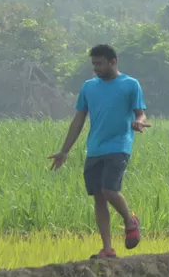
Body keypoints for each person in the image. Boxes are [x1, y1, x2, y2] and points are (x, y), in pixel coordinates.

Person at [49, 44, 150, 259]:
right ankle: (107, 249)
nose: (96, 68)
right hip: (95, 149)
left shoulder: (130, 84)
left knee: (109, 190)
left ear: (113, 62)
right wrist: (64, 151)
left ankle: (130, 221)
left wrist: (139, 122)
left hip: (119, 146)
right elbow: (78, 120)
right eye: (93, 64)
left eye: (100, 64)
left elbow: (140, 113)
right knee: (98, 197)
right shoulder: (88, 87)